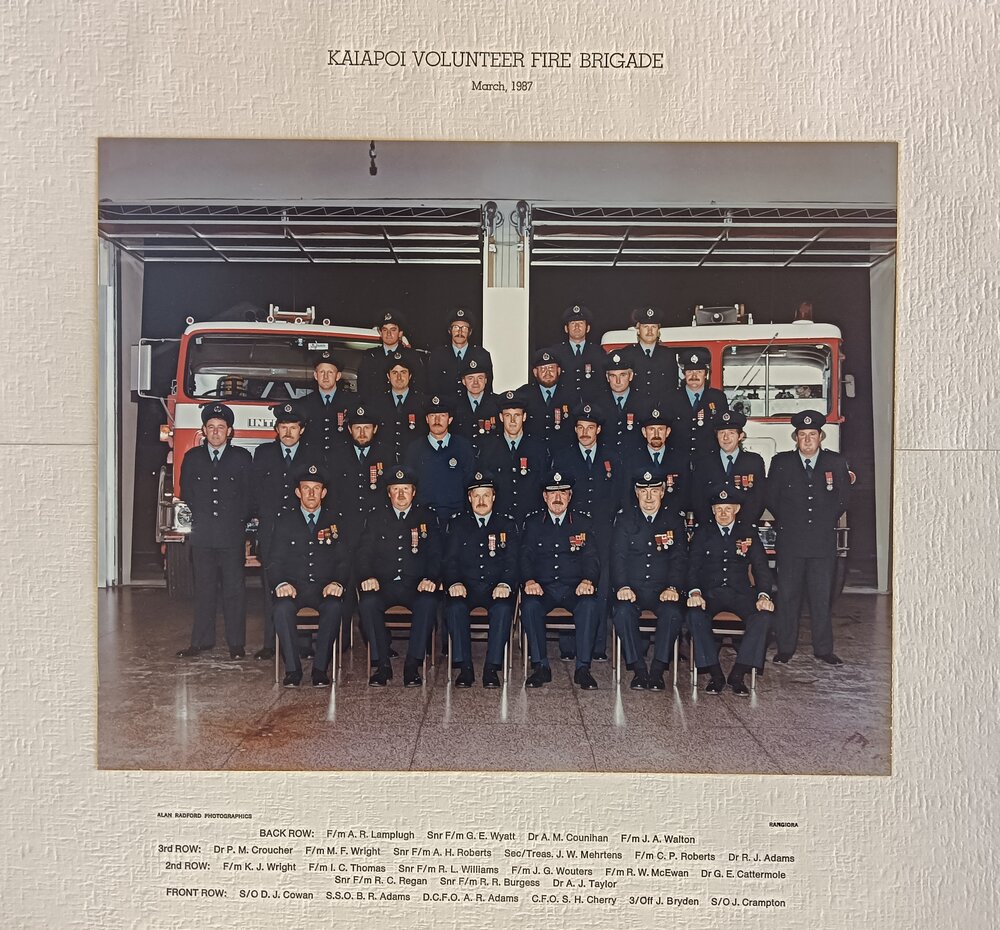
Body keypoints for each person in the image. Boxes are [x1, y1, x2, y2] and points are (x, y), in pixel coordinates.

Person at [765, 410, 851, 665]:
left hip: (822, 543)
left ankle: (823, 649)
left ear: (821, 436)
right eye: (802, 435)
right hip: (791, 541)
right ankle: (786, 647)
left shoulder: (835, 463)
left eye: (812, 434)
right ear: (795, 437)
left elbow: (844, 498)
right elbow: (772, 498)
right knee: (788, 596)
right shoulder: (782, 463)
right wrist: (791, 522)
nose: (807, 439)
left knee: (821, 597)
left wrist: (823, 521)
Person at [176, 402, 252, 660]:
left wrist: (236, 523)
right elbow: (187, 492)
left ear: (230, 431)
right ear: (203, 431)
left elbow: (248, 497)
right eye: (211, 427)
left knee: (234, 590)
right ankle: (201, 641)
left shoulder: (242, 458)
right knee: (204, 589)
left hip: (231, 535)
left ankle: (236, 644)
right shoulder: (193, 458)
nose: (216, 432)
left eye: (221, 427)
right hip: (203, 535)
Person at [550, 402, 624, 660]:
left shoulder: (611, 458)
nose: (584, 433)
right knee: (572, 577)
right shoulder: (564, 457)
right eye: (580, 427)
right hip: (573, 526)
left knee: (601, 585)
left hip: (604, 529)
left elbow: (621, 494)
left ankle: (597, 646)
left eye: (589, 428)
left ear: (598, 430)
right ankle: (569, 647)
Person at [356, 467, 442, 687]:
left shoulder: (427, 517)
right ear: (389, 493)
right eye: (396, 490)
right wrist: (367, 576)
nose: (401, 495)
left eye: (406, 489)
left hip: (415, 585)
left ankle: (412, 665)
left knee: (428, 602)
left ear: (414, 492)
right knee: (367, 603)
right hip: (383, 584)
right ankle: (382, 665)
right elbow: (363, 553)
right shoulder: (376, 517)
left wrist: (431, 578)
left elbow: (436, 554)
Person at [686, 487, 775, 695]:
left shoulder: (747, 533)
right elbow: (692, 567)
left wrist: (763, 595)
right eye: (718, 509)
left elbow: (762, 568)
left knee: (763, 617)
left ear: (736, 509)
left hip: (740, 594)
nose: (723, 513)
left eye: (728, 508)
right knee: (694, 615)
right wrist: (695, 592)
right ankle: (715, 673)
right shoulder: (703, 533)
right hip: (710, 594)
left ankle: (739, 672)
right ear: (713, 510)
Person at [266, 464, 349, 687]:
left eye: (316, 488)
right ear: (298, 492)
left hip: (324, 586)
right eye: (306, 488)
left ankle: (320, 670)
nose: (311, 493)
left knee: (333, 607)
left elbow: (344, 560)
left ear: (323, 492)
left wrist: (337, 582)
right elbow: (273, 560)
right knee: (282, 608)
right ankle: (293, 670)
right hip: (294, 586)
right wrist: (281, 583)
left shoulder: (335, 521)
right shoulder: (285, 521)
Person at [519, 471, 602, 690]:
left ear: (570, 496)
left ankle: (583, 668)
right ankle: (540, 667)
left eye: (563, 493)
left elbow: (592, 557)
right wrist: (528, 580)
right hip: (543, 588)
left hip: (573, 588)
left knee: (590, 605)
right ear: (545, 496)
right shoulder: (534, 523)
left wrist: (588, 580)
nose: (558, 498)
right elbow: (525, 557)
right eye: (552, 493)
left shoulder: (582, 523)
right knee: (529, 606)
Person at [610, 470, 689, 690]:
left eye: (654, 491)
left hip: (662, 589)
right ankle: (638, 670)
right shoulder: (625, 519)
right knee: (623, 612)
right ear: (636, 493)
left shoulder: (673, 520)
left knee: (672, 613)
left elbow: (679, 558)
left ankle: (657, 670)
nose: (648, 497)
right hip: (632, 588)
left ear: (662, 492)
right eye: (643, 491)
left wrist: (673, 586)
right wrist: (622, 586)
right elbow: (618, 557)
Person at [442, 472, 519, 688]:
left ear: (494, 497)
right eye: (477, 496)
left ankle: (492, 668)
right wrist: (454, 582)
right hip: (465, 587)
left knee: (503, 609)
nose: (482, 501)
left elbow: (513, 562)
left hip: (496, 588)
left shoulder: (507, 524)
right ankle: (465, 667)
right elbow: (449, 561)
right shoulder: (458, 524)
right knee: (455, 607)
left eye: (486, 495)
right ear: (469, 498)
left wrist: (505, 584)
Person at [249, 401, 311, 661]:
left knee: (304, 581)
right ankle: (269, 643)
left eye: (293, 427)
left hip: (301, 530)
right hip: (271, 530)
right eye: (283, 427)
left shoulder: (312, 456)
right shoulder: (263, 454)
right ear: (276, 429)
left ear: (302, 430)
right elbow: (254, 490)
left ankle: (304, 644)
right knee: (270, 586)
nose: (288, 432)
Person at [326, 403, 391, 646]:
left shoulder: (386, 455)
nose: (362, 433)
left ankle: (377, 640)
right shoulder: (336, 455)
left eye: (366, 428)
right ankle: (341, 639)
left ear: (374, 429)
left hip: (376, 531)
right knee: (345, 580)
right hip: (346, 529)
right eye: (357, 428)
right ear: (349, 430)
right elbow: (330, 496)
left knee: (375, 584)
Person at [475, 389, 551, 527]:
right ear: (501, 417)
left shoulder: (538, 448)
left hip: (531, 521)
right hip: (499, 520)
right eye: (508, 415)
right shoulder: (488, 448)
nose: (512, 421)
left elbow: (544, 485)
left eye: (517, 415)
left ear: (524, 417)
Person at [402, 395, 476, 526]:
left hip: (457, 518)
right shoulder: (414, 448)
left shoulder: (463, 446)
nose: (437, 420)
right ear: (426, 419)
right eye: (432, 416)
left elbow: (469, 483)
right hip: (424, 518)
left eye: (442, 415)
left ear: (450, 419)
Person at [691, 410, 766, 528]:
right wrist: (710, 524)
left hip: (744, 527)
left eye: (731, 433)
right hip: (711, 528)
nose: (726, 438)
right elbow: (697, 497)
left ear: (740, 436)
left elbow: (759, 497)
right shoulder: (704, 463)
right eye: (722, 433)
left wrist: (744, 523)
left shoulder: (754, 462)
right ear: (716, 436)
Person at [664, 347, 730, 464]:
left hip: (709, 462)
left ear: (706, 374)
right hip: (678, 461)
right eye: (690, 372)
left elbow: (723, 428)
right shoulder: (670, 398)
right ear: (684, 374)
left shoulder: (718, 398)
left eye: (699, 371)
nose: (694, 376)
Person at [622, 407, 690, 519]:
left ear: (668, 432)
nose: (656, 434)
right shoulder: (631, 460)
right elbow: (627, 494)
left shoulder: (681, 459)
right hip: (640, 518)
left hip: (672, 519)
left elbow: (685, 492)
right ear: (644, 432)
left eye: (661, 429)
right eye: (651, 429)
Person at [371, 352, 428, 463]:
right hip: (385, 461)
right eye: (394, 373)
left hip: (414, 460)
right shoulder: (376, 403)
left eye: (403, 372)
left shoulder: (423, 402)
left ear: (410, 376)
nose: (399, 377)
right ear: (388, 376)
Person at [426, 307, 493, 398]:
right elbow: (432, 388)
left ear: (470, 332)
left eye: (464, 328)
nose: (460, 332)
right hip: (445, 408)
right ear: (449, 331)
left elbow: (487, 389)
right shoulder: (438, 355)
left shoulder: (481, 355)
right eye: (456, 327)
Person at [519, 349, 577, 454]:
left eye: (551, 368)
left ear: (559, 371)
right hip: (532, 454)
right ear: (535, 372)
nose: (547, 373)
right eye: (543, 369)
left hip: (563, 453)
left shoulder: (571, 395)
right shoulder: (523, 395)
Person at [357, 309, 424, 399]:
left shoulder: (411, 356)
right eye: (385, 330)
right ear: (380, 333)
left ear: (400, 333)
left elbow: (419, 386)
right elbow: (363, 387)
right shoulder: (370, 356)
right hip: (375, 408)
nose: (388, 334)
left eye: (393, 330)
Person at [546, 304, 608, 402]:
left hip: (592, 406)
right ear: (566, 329)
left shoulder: (598, 352)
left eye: (581, 323)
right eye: (573, 323)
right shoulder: (556, 352)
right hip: (564, 405)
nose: (577, 327)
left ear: (588, 328)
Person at [618, 305, 678, 406]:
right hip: (634, 409)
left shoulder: (668, 355)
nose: (650, 331)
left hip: (661, 410)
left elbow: (673, 387)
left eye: (653, 327)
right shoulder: (627, 354)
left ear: (658, 331)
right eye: (645, 327)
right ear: (638, 329)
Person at [298, 351, 351, 455]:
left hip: (342, 461)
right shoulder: (303, 404)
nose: (325, 377)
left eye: (330, 372)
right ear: (315, 375)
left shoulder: (352, 402)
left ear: (338, 376)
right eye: (322, 372)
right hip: (313, 461)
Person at [596, 351, 646, 457]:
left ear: (631, 376)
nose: (618, 381)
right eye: (613, 376)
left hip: (636, 460)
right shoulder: (596, 403)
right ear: (607, 377)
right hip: (606, 460)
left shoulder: (644, 402)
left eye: (622, 375)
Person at [450, 358, 501, 455]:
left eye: (480, 378)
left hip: (490, 459)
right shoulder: (454, 405)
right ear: (463, 381)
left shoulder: (498, 403)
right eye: (470, 378)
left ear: (486, 380)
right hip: (462, 458)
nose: (476, 382)